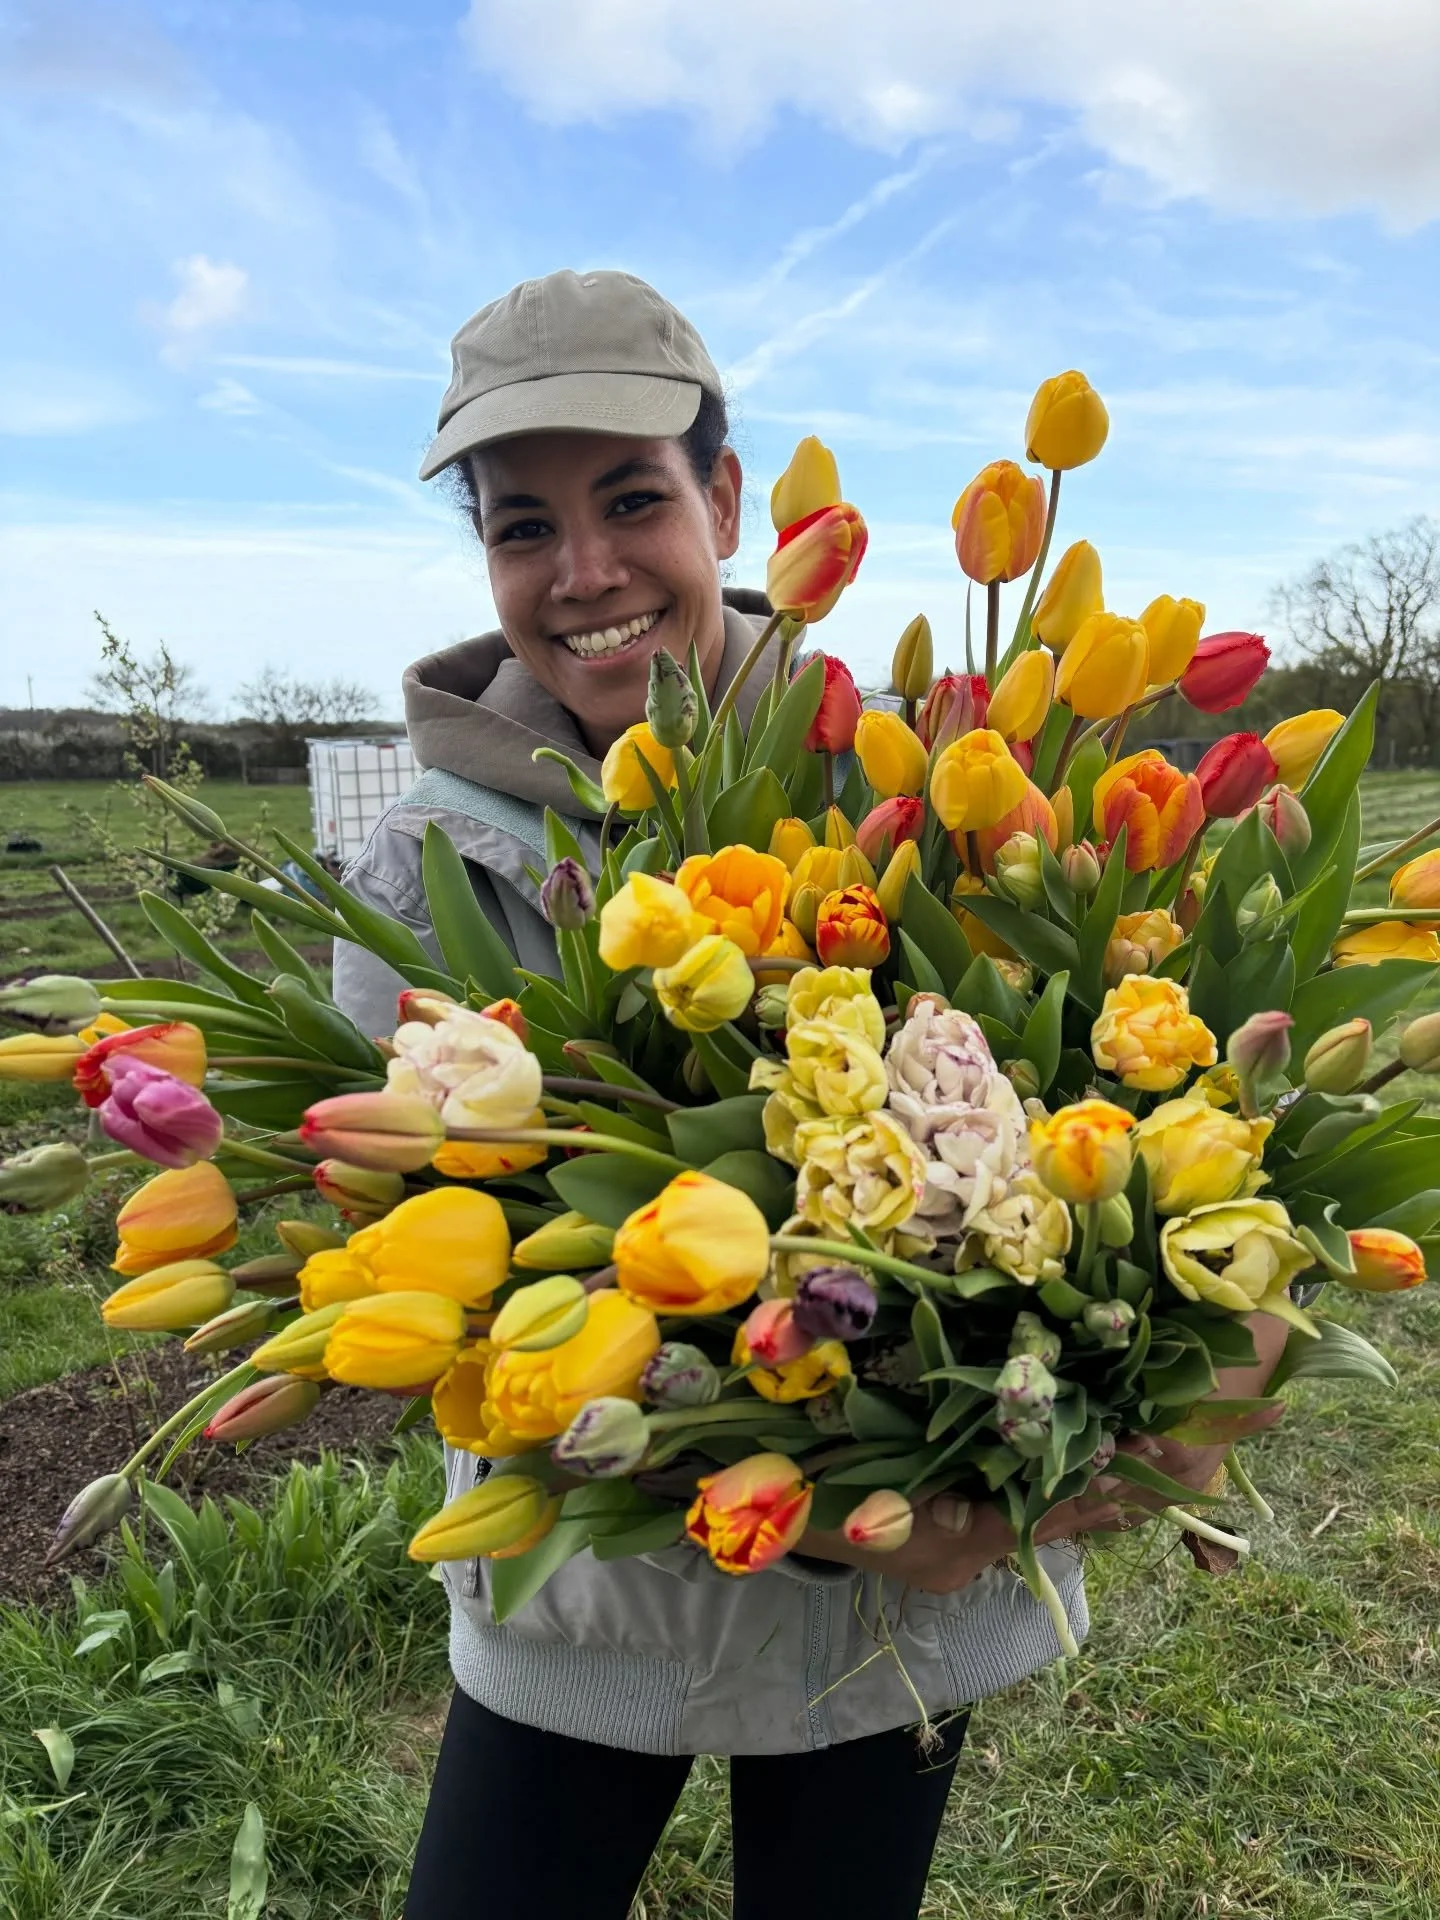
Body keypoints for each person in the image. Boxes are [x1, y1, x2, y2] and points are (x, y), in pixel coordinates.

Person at [332, 269, 1288, 1920]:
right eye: (519, 526)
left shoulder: (933, 782)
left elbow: (1201, 1145)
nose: (584, 574)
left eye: (634, 499)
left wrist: (1179, 1401)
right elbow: (383, 1251)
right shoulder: (423, 858)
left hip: (898, 1609)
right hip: (591, 1607)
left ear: (725, 501)